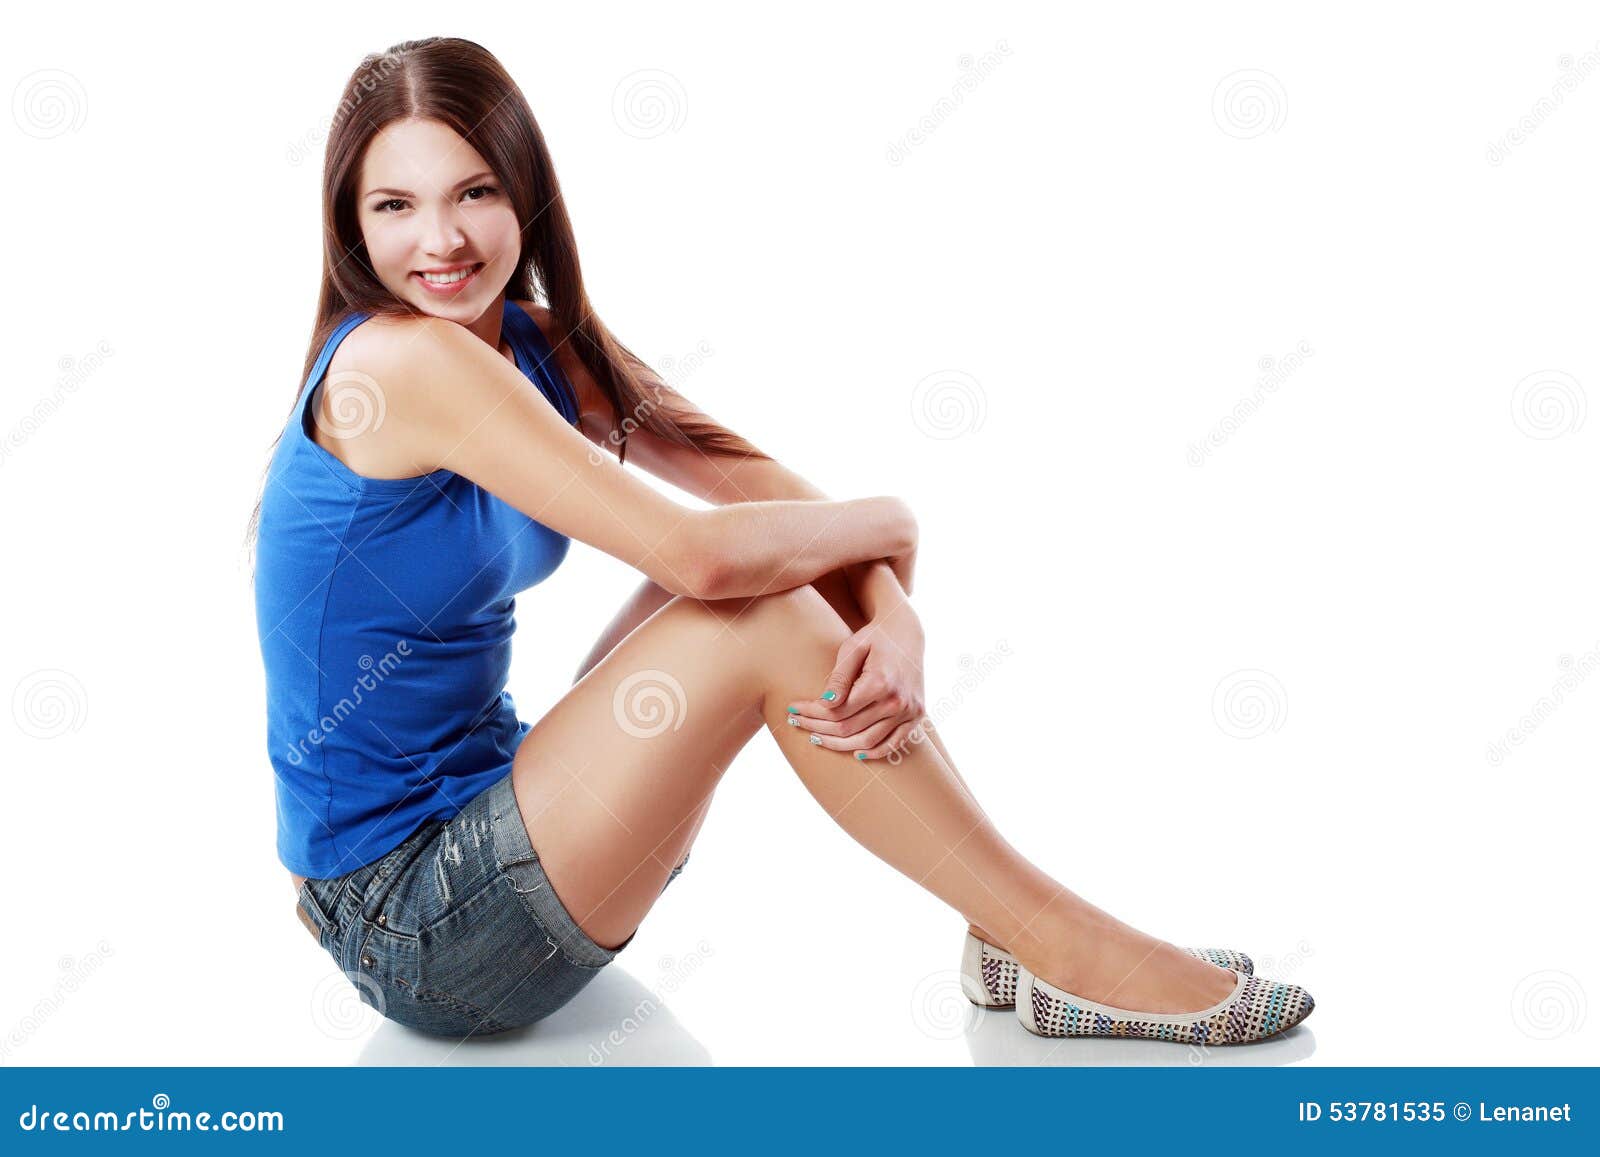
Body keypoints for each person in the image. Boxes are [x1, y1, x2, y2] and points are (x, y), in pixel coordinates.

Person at [249, 37, 1313, 1045]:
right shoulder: (397, 364)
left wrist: (892, 609)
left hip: (514, 816)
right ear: (351, 225)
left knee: (772, 578)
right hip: (415, 922)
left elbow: (767, 497)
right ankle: (1061, 943)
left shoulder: (531, 343)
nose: (441, 241)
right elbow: (707, 555)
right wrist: (894, 527)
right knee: (745, 598)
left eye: (474, 191)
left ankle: (1012, 935)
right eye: (397, 206)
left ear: (525, 193)